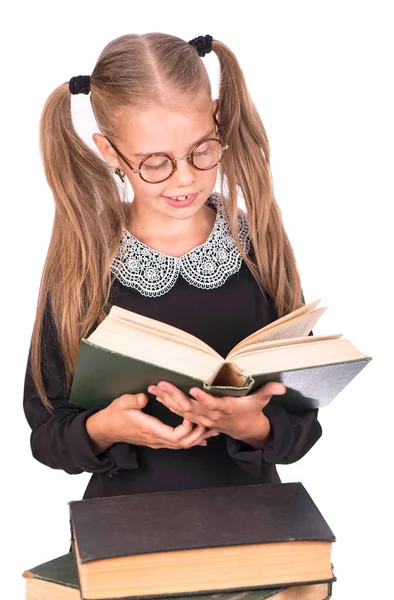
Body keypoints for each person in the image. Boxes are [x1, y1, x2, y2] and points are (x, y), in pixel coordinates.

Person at [23, 32, 322, 501]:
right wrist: (106, 427)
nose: (184, 178)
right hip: (126, 535)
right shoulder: (84, 265)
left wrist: (255, 425)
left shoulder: (257, 245)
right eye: (155, 163)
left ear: (219, 119)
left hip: (253, 526)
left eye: (202, 150)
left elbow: (302, 426)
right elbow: (47, 435)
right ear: (110, 153)